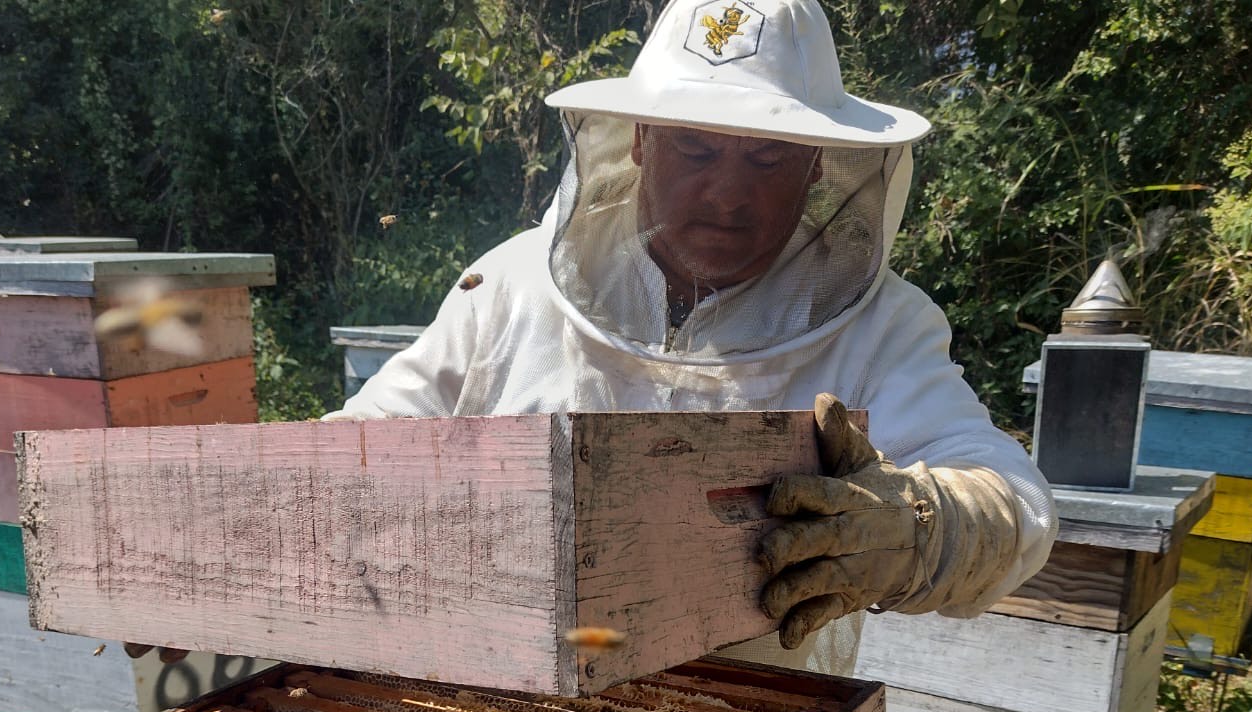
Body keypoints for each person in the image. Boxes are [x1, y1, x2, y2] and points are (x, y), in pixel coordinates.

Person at [332, 0, 1056, 675]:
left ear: (815, 166)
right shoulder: (510, 287)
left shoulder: (878, 327)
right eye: (695, 149)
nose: (726, 195)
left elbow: (1016, 505)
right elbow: (358, 443)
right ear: (641, 141)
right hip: (507, 691)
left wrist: (915, 526)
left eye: (767, 158)